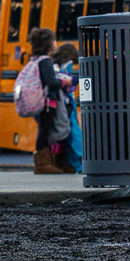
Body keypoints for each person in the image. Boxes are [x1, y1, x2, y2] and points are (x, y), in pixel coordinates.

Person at [28, 28, 73, 174]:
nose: (55, 43)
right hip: (48, 103)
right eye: (53, 40)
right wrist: (64, 82)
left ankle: (51, 162)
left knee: (46, 130)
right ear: (49, 44)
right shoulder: (45, 61)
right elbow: (50, 82)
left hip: (41, 101)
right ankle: (43, 164)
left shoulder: (35, 59)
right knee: (46, 132)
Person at [50, 42, 82, 173]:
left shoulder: (54, 67)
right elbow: (68, 82)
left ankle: (74, 164)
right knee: (74, 134)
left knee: (69, 135)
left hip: (64, 105)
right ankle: (80, 162)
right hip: (67, 105)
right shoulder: (62, 68)